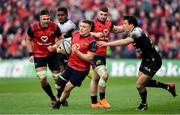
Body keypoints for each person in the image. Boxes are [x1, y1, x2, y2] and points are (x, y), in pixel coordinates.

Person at [97, 15, 177, 110]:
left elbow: (125, 41)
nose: (123, 26)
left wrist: (107, 44)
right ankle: (168, 87)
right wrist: (107, 25)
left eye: (125, 24)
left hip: (153, 60)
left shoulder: (137, 32)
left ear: (131, 25)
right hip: (146, 59)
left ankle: (144, 104)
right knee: (143, 82)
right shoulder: (132, 30)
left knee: (139, 85)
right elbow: (116, 29)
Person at [52, 20, 97, 109]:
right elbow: (69, 48)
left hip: (81, 70)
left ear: (89, 29)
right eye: (80, 26)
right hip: (70, 66)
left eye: (84, 27)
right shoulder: (75, 35)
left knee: (68, 87)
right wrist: (62, 51)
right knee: (57, 85)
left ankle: (58, 104)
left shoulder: (92, 42)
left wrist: (77, 52)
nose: (81, 28)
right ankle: (64, 97)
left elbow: (89, 58)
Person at [26, 9, 64, 108]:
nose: (47, 21)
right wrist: (30, 53)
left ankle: (61, 96)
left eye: (48, 19)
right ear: (40, 19)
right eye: (44, 19)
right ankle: (52, 98)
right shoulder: (33, 27)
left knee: (57, 80)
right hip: (39, 55)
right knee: (42, 79)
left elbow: (61, 38)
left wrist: (54, 47)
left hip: (52, 55)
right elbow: (28, 39)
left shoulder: (54, 26)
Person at [89, 6, 124, 109]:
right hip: (94, 54)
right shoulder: (92, 24)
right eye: (101, 14)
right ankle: (103, 99)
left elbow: (116, 29)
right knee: (104, 75)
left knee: (95, 79)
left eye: (105, 15)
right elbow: (82, 33)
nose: (103, 16)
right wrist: (95, 33)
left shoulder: (108, 24)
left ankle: (94, 103)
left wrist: (128, 27)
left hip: (102, 54)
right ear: (97, 14)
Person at [55, 7, 76, 106]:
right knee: (60, 76)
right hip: (59, 54)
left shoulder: (71, 25)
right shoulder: (56, 26)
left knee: (66, 79)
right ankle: (60, 97)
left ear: (67, 15)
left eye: (62, 15)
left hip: (70, 54)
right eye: (58, 15)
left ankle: (62, 97)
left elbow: (74, 38)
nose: (60, 17)